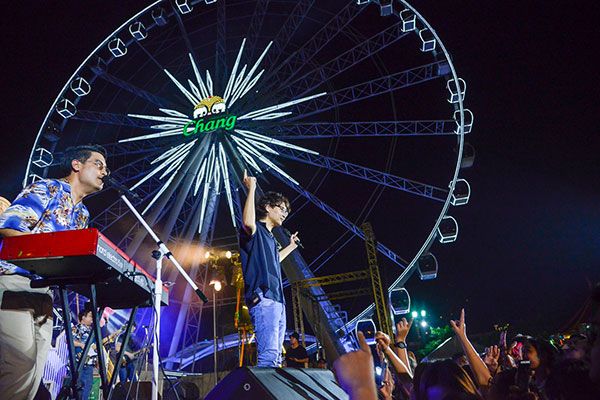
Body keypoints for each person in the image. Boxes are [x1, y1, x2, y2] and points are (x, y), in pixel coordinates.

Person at [0, 144, 109, 400]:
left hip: (46, 294)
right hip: (15, 282)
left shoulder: (83, 214)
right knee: (19, 364)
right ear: (76, 165)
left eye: (106, 168)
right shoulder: (46, 188)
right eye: (99, 164)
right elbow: (9, 227)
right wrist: (47, 255)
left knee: (34, 371)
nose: (105, 172)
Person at [239, 170, 299, 367]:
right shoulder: (256, 230)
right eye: (281, 208)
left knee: (276, 357)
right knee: (268, 356)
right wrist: (252, 188)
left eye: (286, 212)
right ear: (267, 207)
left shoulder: (272, 239)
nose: (284, 214)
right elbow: (247, 222)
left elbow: (275, 260)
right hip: (263, 297)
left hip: (278, 300)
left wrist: (291, 246)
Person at [73, 310, 102, 400]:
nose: (92, 318)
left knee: (87, 387)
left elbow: (94, 347)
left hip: (89, 363)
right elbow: (69, 340)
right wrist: (81, 344)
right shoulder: (77, 328)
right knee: (79, 388)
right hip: (79, 362)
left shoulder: (91, 331)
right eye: (90, 316)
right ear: (83, 317)